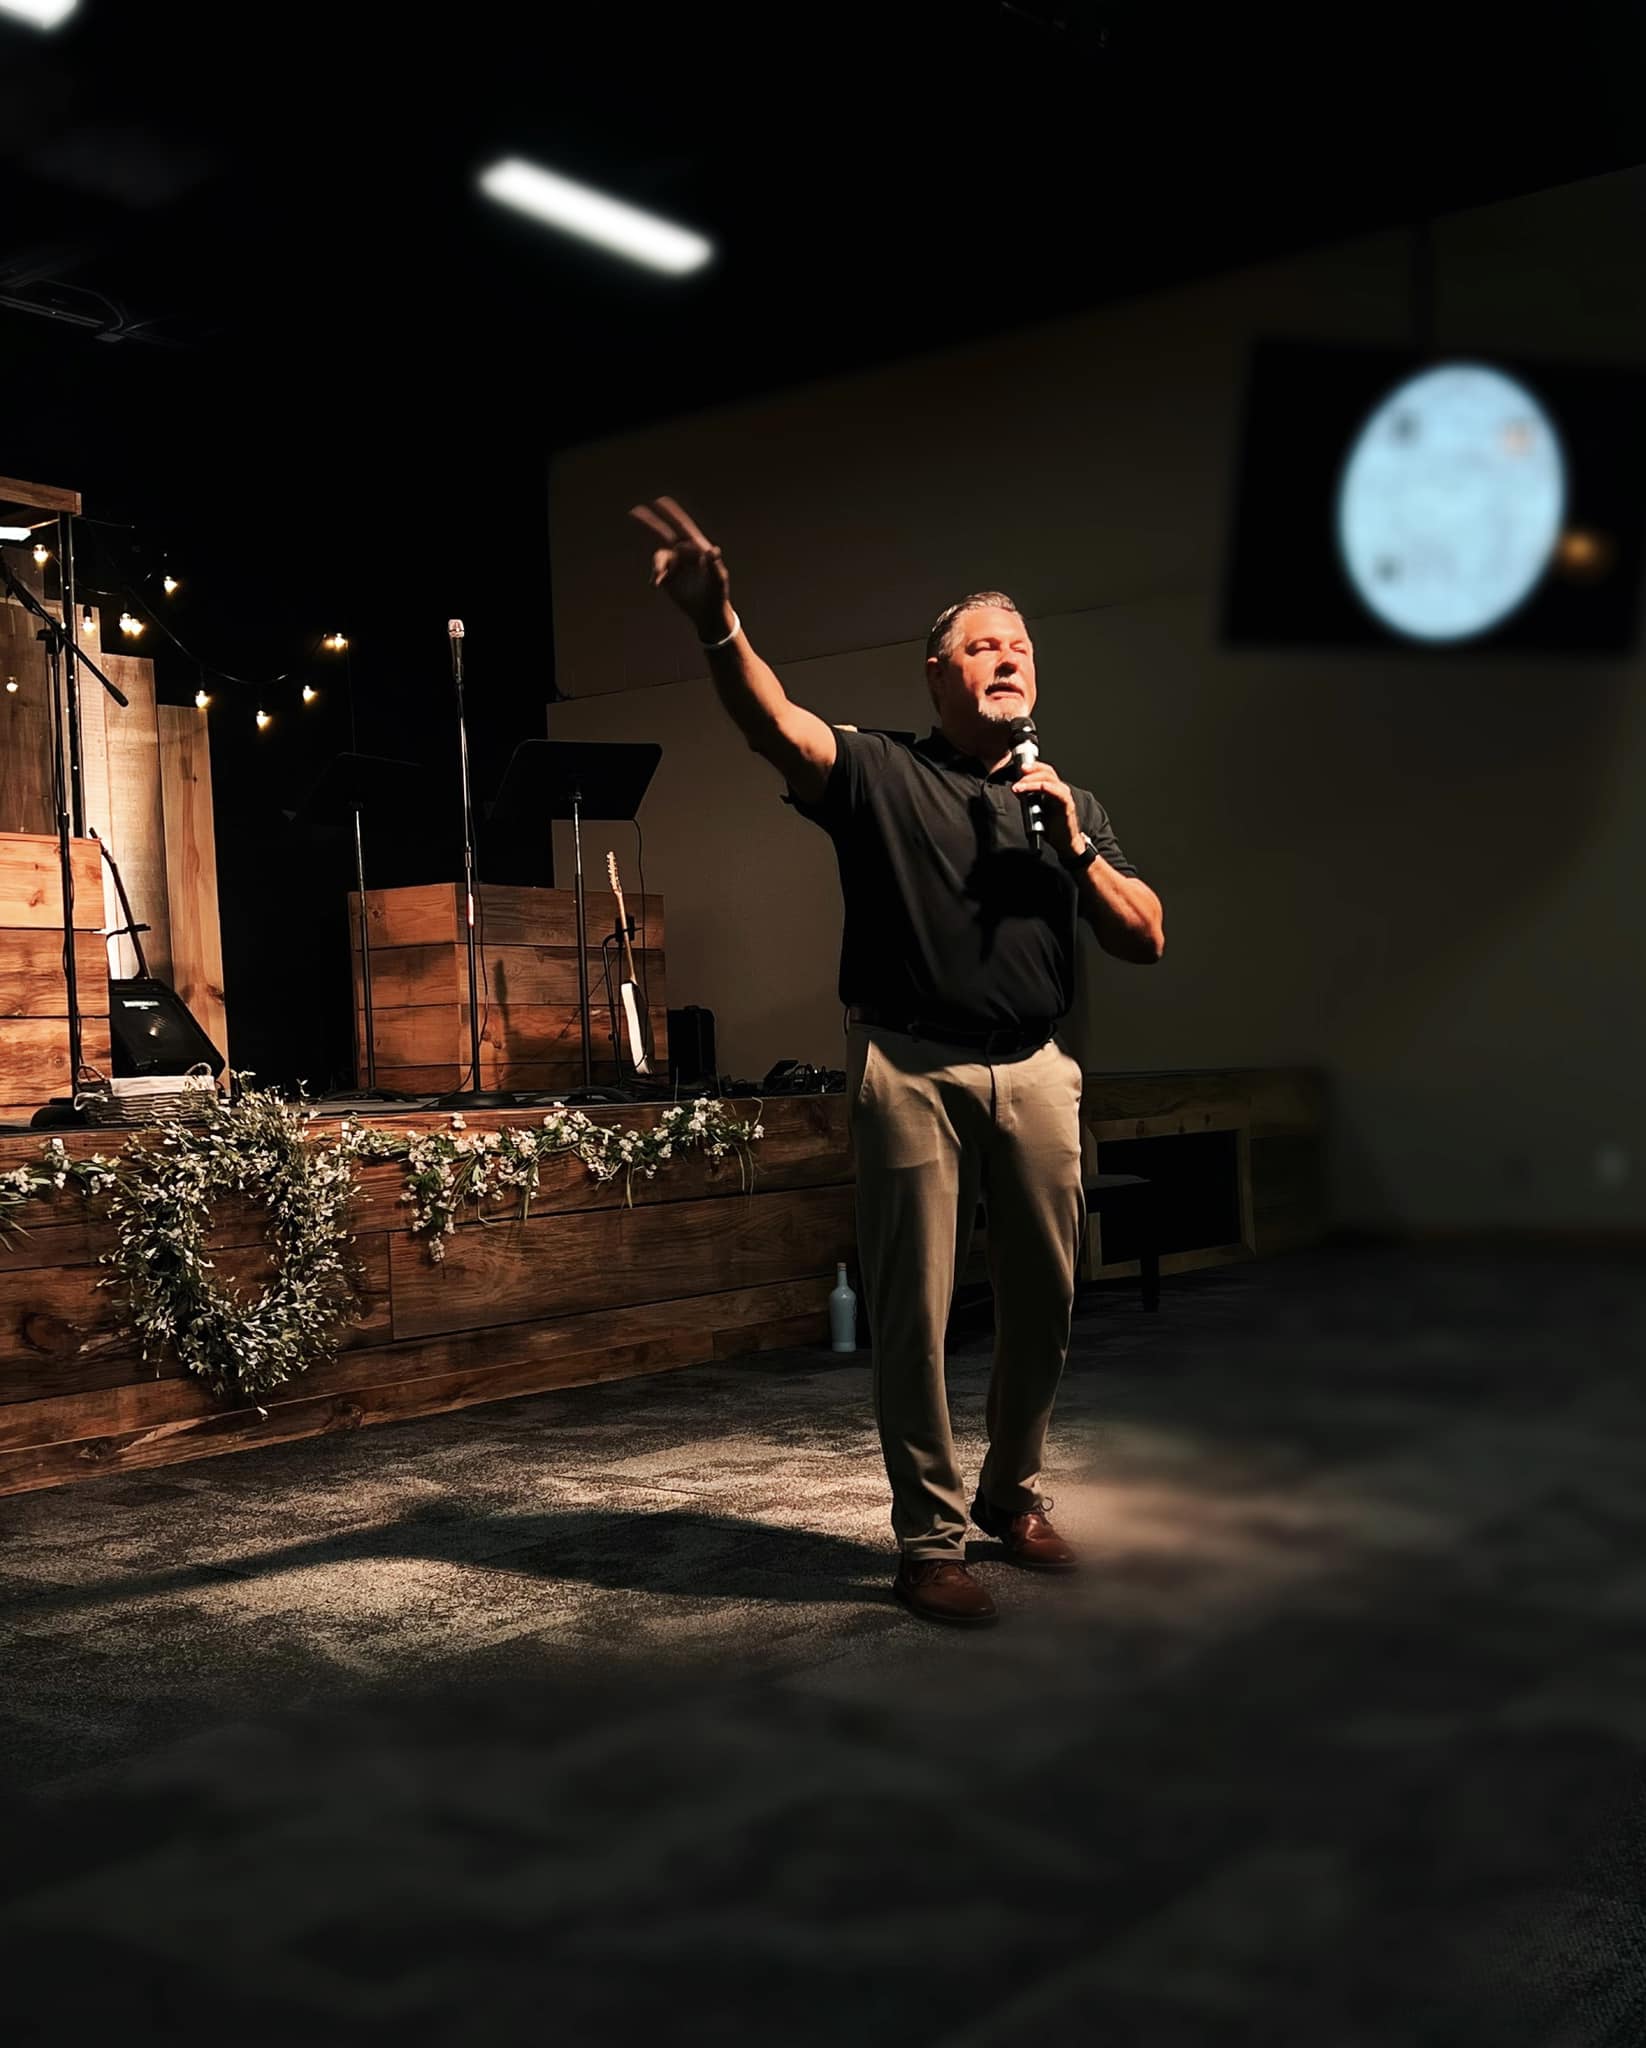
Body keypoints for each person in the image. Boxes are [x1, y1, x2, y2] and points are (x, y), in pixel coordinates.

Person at [630, 495, 1165, 1626]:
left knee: (1047, 1300)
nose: (1007, 659)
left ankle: (1009, 1495)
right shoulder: (880, 771)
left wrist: (1074, 848)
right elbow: (777, 726)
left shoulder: (1065, 803)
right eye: (982, 646)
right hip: (910, 1067)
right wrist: (718, 623)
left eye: (1020, 647)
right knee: (915, 1314)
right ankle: (927, 1541)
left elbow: (1146, 935)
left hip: (1035, 1068)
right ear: (937, 675)